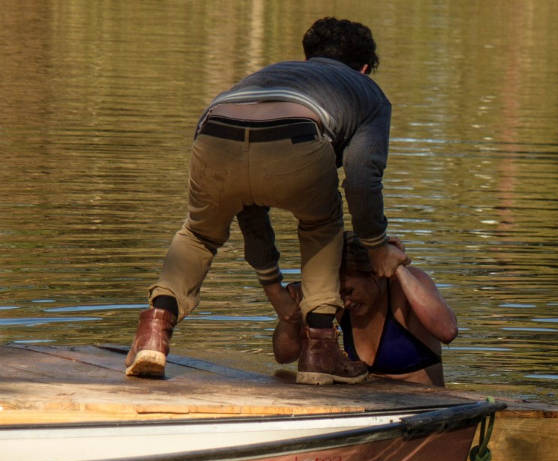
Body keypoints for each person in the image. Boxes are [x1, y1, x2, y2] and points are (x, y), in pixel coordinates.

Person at [125, 17, 409, 384]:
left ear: (308, 60)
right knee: (323, 227)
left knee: (199, 235)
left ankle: (153, 334)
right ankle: (320, 352)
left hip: (213, 134)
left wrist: (273, 287)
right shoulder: (368, 92)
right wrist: (376, 244)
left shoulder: (269, 76)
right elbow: (361, 179)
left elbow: (249, 200)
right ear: (365, 69)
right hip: (297, 141)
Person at [271, 232, 458, 386]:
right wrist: (292, 316)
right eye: (339, 294)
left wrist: (398, 268)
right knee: (282, 377)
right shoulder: (336, 300)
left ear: (374, 274)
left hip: (420, 411)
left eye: (349, 291)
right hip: (368, 409)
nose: (345, 303)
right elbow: (284, 355)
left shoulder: (405, 287)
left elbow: (447, 331)